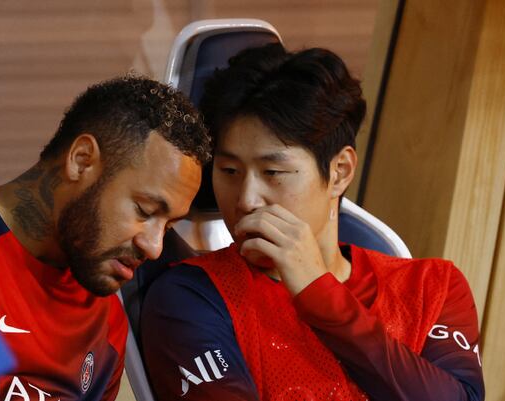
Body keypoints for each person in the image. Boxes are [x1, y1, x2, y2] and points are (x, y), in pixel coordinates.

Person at [140, 44, 485, 401]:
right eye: (229, 171)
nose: (247, 199)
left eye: (273, 172)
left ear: (340, 172)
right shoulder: (190, 298)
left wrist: (320, 294)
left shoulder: (433, 287)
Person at [0, 75, 211, 400]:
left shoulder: (106, 326)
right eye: (144, 211)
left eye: (169, 227)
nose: (155, 247)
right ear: (81, 160)